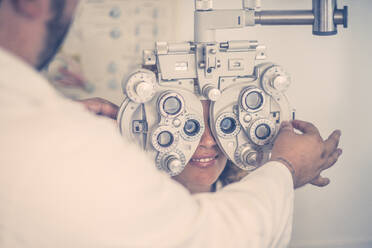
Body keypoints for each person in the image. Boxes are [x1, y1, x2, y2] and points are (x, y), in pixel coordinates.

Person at [0, 0, 342, 247]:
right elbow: (210, 238)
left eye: (221, 123)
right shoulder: (47, 139)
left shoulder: (30, 126)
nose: (207, 139)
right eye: (190, 123)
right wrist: (286, 170)